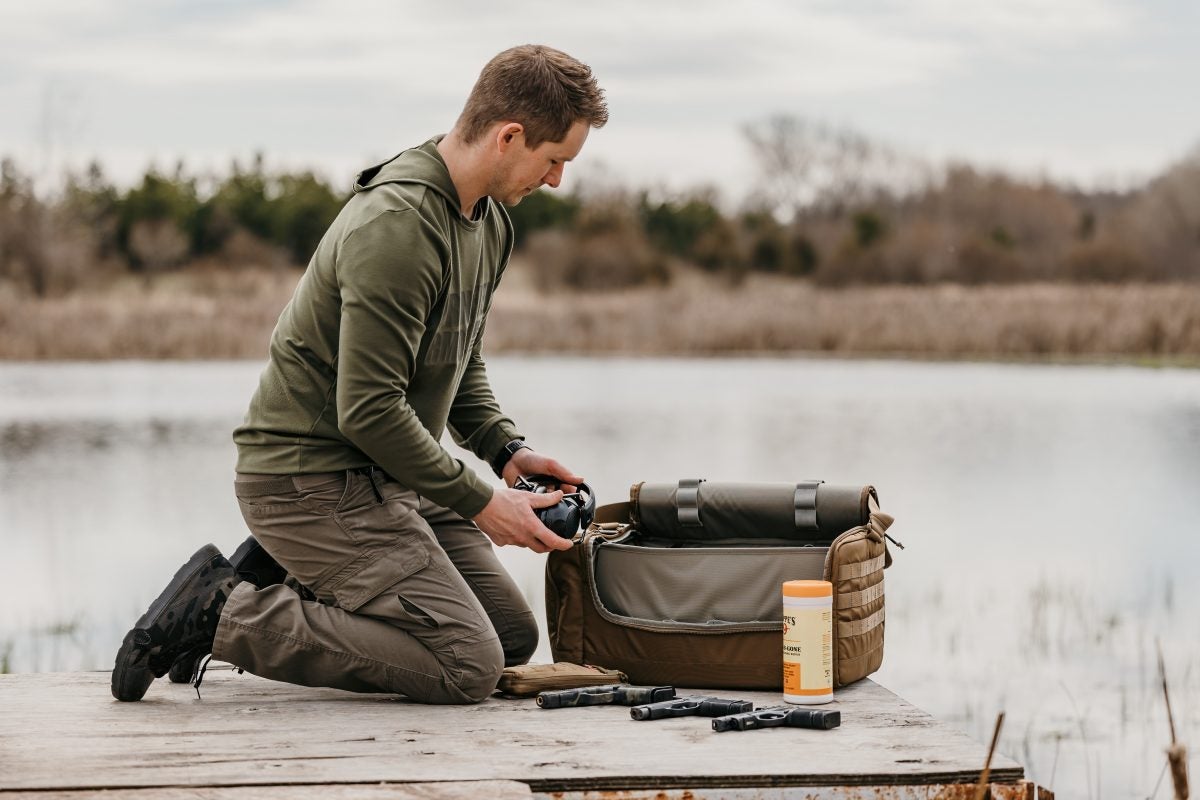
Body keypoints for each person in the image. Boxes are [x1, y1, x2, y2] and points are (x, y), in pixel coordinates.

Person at [111, 44, 608, 705]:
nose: (555, 182)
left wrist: (505, 450)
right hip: (308, 480)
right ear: (509, 137)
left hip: (389, 476)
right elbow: (368, 410)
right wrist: (485, 504)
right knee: (467, 666)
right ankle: (222, 612)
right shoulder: (398, 228)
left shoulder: (487, 223)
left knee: (508, 636)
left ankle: (298, 575)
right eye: (554, 161)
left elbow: (460, 359)